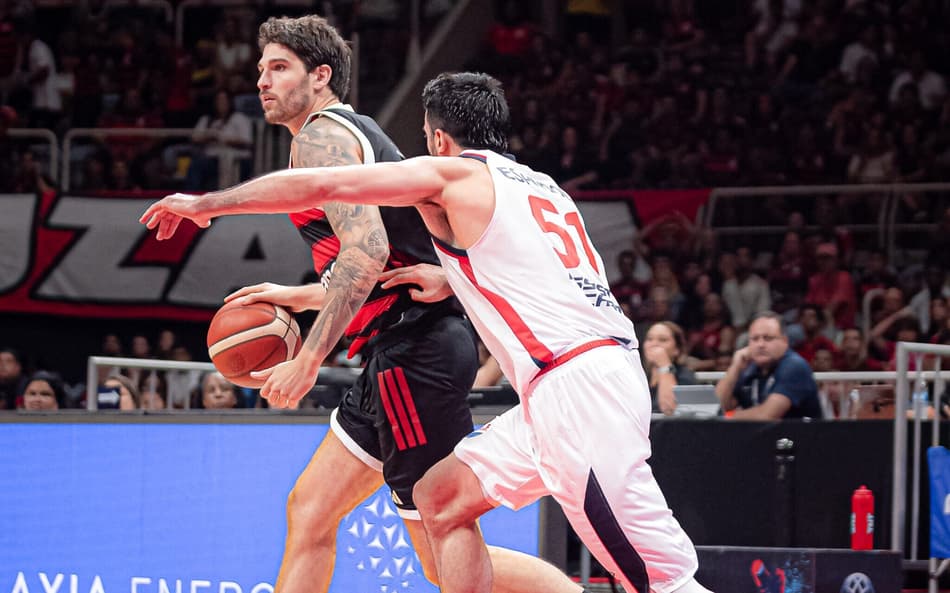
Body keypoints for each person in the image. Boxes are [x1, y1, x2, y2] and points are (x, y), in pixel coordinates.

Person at [142, 71, 711, 593]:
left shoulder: (452, 174)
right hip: (574, 381)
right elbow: (534, 278)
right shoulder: (543, 188)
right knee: (441, 498)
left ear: (438, 138)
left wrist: (208, 202)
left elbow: (321, 185)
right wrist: (448, 277)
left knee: (661, 583)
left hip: (576, 393)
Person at [170, 17, 583, 593]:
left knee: (442, 555)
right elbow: (386, 273)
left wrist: (309, 360)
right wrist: (300, 296)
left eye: (279, 67)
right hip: (400, 348)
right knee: (310, 509)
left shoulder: (322, 136)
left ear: (320, 76)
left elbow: (367, 256)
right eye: (261, 69)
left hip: (417, 353)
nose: (262, 81)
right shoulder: (342, 133)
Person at [714, 311, 822, 420]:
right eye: (755, 339)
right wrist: (735, 367)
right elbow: (716, 407)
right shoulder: (750, 368)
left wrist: (726, 417)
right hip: (760, 431)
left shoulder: (795, 366)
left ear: (784, 341)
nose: (760, 345)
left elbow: (767, 415)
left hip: (797, 431)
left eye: (768, 338)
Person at [643, 321, 696, 416]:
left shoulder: (685, 375)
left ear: (677, 350)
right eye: (649, 339)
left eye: (662, 340)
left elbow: (669, 409)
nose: (654, 344)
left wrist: (664, 365)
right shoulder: (640, 376)